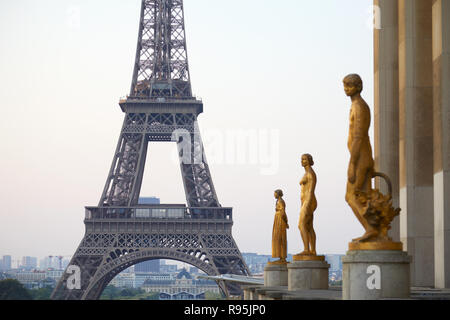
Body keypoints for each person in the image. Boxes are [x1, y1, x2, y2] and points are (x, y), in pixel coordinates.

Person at [343, 73, 378, 242]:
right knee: (364, 197)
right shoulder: (358, 106)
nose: (345, 89)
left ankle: (371, 229)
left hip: (360, 158)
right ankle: (374, 230)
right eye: (344, 85)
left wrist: (352, 164)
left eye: (349, 85)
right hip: (363, 156)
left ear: (358, 87)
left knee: (351, 196)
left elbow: (359, 136)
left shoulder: (359, 106)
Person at [297, 154, 317, 256]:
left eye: (304, 159)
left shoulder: (310, 173)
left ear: (309, 160)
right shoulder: (307, 173)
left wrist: (307, 204)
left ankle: (306, 249)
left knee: (301, 225)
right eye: (301, 159)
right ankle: (312, 250)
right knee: (309, 226)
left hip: (308, 201)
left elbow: (311, 191)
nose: (302, 161)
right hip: (305, 201)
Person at [271, 189, 289, 264]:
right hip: (278, 219)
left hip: (280, 221)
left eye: (274, 194)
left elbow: (283, 212)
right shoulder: (278, 201)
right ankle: (280, 256)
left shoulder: (281, 201)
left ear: (278, 194)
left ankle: (282, 257)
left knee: (280, 237)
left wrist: (286, 222)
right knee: (278, 238)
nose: (274, 195)